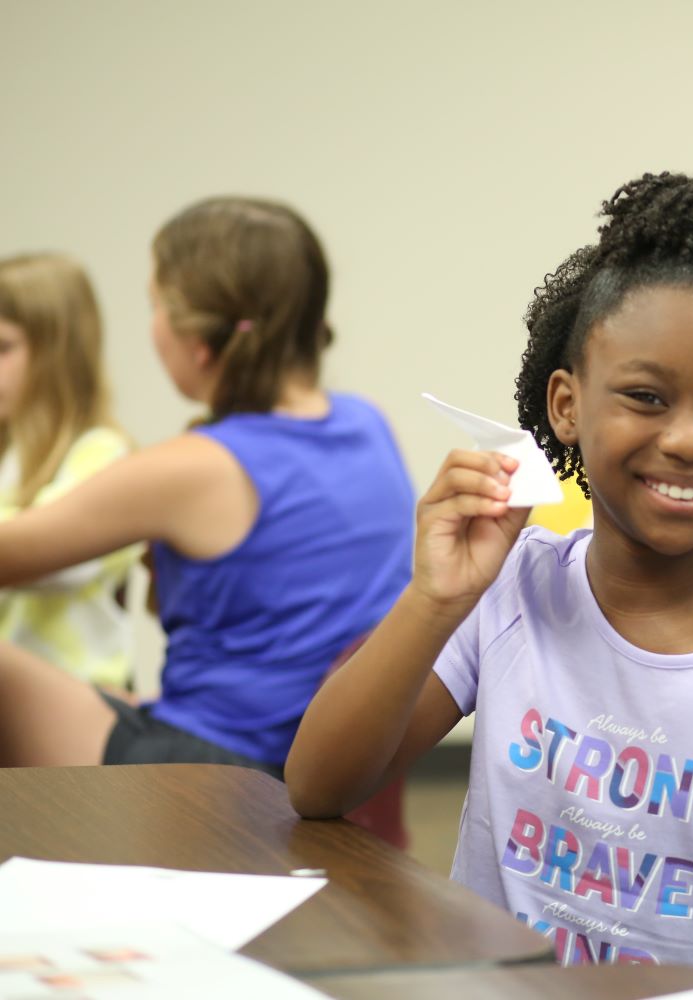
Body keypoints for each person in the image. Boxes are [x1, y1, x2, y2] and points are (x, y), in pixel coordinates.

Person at [286, 174, 693, 995]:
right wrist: (435, 599)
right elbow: (320, 785)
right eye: (646, 397)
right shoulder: (514, 589)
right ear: (566, 406)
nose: (690, 439)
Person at [0, 197, 414, 776]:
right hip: (311, 763)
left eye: (155, 307)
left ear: (199, 341)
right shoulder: (367, 423)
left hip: (210, 776)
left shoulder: (196, 466)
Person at [0, 254, 140, 688]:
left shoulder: (104, 454)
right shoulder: (10, 456)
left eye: (2, 348)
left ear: (59, 354)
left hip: (75, 711)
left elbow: (52, 562)